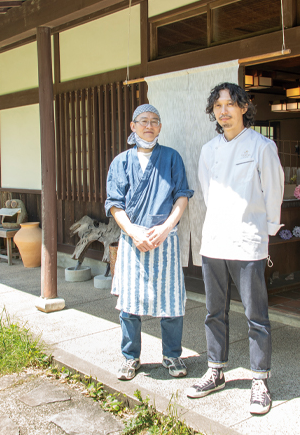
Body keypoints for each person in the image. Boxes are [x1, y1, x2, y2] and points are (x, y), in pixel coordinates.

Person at [185, 83, 284, 415]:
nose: (223, 110)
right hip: (214, 241)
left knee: (256, 316)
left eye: (230, 104)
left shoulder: (261, 146)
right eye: (217, 106)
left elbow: (273, 191)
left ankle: (259, 380)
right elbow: (208, 192)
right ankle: (215, 370)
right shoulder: (208, 149)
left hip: (248, 242)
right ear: (213, 112)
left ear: (244, 107)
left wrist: (265, 232)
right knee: (215, 312)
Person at [105, 104, 194, 381]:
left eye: (155, 121)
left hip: (164, 239)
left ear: (160, 126)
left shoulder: (171, 158)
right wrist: (133, 232)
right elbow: (114, 205)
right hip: (133, 240)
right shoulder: (121, 162)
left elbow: (182, 196)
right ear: (133, 126)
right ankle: (131, 358)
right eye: (143, 121)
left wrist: (166, 227)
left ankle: (172, 355)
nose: (149, 125)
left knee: (171, 303)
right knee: (130, 304)